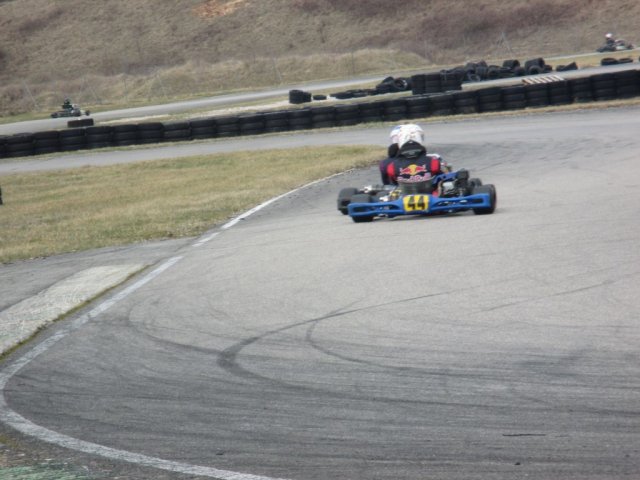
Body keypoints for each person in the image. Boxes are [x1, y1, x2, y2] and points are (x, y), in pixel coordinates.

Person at [385, 124, 450, 193]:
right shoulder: (433, 162)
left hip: (403, 199)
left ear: (400, 140)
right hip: (431, 198)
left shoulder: (392, 167)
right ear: (419, 138)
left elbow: (393, 184)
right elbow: (444, 178)